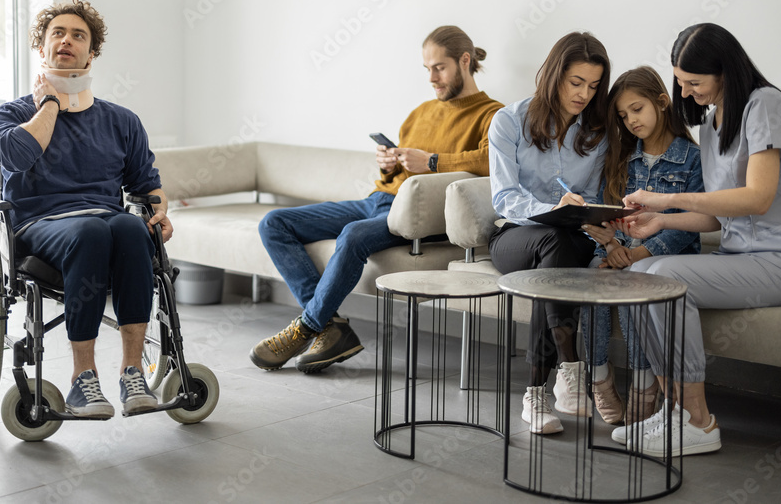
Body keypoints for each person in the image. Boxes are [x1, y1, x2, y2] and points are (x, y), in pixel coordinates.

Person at [251, 26, 504, 373]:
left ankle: (306, 328)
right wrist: (389, 165)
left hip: (422, 217)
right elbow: (400, 171)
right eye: (427, 68)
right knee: (274, 223)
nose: (432, 77)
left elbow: (490, 161)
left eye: (439, 67)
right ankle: (330, 328)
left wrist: (431, 162)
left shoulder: (493, 114)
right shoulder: (420, 112)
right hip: (380, 200)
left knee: (354, 234)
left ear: (464, 61)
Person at [616, 23, 781, 457]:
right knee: (637, 274)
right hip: (742, 258)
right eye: (680, 82)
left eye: (694, 82)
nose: (685, 93)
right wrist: (660, 223)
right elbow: (719, 215)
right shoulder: (714, 122)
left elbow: (757, 199)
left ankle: (700, 422)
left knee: (665, 278)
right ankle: (675, 410)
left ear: (725, 71)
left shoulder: (766, 106)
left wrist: (666, 200)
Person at [0, 0, 172, 419]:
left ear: (92, 53)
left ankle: (132, 372)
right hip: (40, 225)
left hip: (106, 223)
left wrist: (159, 213)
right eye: (58, 34)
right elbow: (14, 157)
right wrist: (50, 105)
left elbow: (147, 184)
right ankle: (82, 378)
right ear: (42, 48)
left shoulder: (121, 121)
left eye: (78, 35)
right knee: (91, 231)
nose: (67, 41)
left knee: (130, 228)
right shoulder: (11, 113)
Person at [487, 31, 610, 434]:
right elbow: (505, 198)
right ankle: (570, 364)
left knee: (556, 250)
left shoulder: (598, 133)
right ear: (555, 76)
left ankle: (535, 394)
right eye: (576, 83)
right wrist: (551, 210)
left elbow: (592, 197)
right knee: (550, 242)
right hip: (515, 237)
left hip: (570, 239)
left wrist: (589, 216)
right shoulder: (509, 121)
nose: (584, 95)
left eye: (593, 86)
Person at [578, 66, 702, 426]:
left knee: (637, 280)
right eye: (622, 115)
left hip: (665, 255)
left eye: (637, 109)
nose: (630, 120)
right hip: (618, 249)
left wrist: (632, 255)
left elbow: (684, 226)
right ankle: (599, 380)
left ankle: (644, 386)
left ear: (662, 102)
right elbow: (607, 210)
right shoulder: (621, 157)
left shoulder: (692, 159)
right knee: (593, 276)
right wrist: (613, 245)